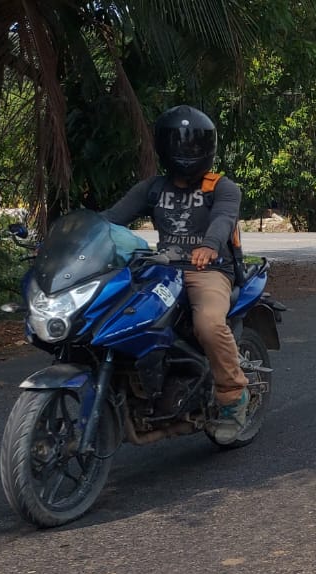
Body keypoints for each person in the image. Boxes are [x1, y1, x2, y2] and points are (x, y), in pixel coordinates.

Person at [102, 105, 248, 443]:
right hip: (162, 270)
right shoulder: (152, 188)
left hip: (208, 271)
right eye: (179, 144)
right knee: (113, 317)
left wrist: (210, 245)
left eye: (195, 145)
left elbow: (223, 219)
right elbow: (110, 218)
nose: (186, 152)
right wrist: (68, 237)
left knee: (209, 324)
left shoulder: (222, 187)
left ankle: (231, 397)